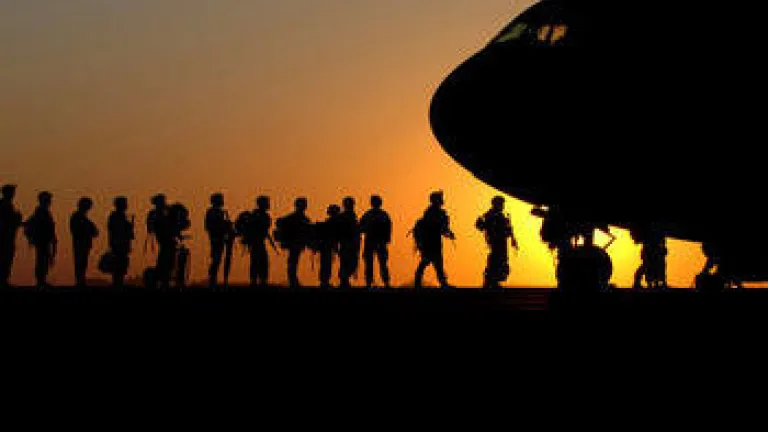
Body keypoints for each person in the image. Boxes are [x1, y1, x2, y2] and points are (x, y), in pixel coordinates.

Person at [413, 191, 455, 289]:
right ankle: (419, 283)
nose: (442, 200)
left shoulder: (431, 212)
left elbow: (442, 228)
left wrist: (448, 233)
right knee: (428, 262)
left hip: (432, 241)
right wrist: (448, 233)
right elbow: (440, 227)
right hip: (431, 241)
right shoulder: (434, 213)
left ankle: (441, 282)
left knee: (436, 263)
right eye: (440, 198)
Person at [476, 196, 519, 290]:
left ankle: (493, 282)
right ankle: (489, 282)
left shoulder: (499, 215)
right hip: (496, 241)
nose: (503, 205)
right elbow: (482, 226)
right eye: (501, 203)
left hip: (501, 241)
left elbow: (507, 229)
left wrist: (512, 238)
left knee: (500, 262)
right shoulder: (491, 215)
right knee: (495, 261)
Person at [236, 195, 277, 288]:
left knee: (260, 262)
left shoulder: (261, 215)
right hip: (256, 242)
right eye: (266, 202)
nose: (268, 204)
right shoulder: (257, 216)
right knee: (258, 262)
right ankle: (256, 281)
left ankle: (259, 281)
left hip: (258, 242)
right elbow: (262, 229)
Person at [275, 197, 311, 288]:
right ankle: (292, 280)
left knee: (293, 261)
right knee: (293, 262)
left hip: (296, 244)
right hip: (294, 244)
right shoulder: (296, 218)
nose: (305, 206)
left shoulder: (301, 218)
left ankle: (293, 280)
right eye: (303, 204)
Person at [24, 191, 57, 288]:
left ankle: (41, 280)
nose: (50, 202)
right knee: (42, 260)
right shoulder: (41, 212)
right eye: (48, 200)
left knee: (44, 260)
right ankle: (40, 281)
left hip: (44, 240)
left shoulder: (43, 212)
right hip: (42, 240)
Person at [359, 195, 392, 289]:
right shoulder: (383, 215)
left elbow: (361, 228)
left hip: (374, 242)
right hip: (375, 242)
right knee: (377, 263)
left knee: (377, 263)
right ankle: (383, 282)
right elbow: (361, 228)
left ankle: (376, 282)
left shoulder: (368, 214)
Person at [205, 193, 233, 288]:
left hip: (222, 238)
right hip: (216, 239)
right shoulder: (212, 212)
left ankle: (216, 279)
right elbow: (209, 226)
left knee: (219, 259)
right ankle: (212, 279)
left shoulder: (222, 212)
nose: (222, 201)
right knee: (216, 259)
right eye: (221, 200)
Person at [70, 197, 99, 287]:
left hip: (84, 244)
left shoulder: (83, 218)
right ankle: (80, 281)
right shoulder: (77, 217)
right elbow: (76, 231)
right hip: (80, 244)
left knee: (82, 263)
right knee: (80, 263)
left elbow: (95, 232)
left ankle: (81, 281)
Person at [146, 194, 174, 289]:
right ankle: (161, 279)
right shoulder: (156, 213)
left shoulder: (164, 212)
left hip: (167, 238)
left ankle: (163, 279)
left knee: (167, 258)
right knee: (165, 258)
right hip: (164, 238)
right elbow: (151, 227)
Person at [107, 196, 134, 288]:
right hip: (118, 245)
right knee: (119, 265)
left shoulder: (117, 216)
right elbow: (115, 230)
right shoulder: (115, 216)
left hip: (121, 245)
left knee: (121, 265)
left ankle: (118, 282)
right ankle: (117, 283)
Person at [0, 184, 22, 287]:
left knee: (7, 259)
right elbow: (7, 222)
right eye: (12, 192)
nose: (14, 194)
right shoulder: (5, 205)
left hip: (8, 237)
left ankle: (4, 280)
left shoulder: (7, 205)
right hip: (5, 238)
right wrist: (17, 218)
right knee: (5, 258)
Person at [316, 205, 342, 289]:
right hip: (327, 246)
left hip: (326, 246)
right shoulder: (332, 222)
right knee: (326, 264)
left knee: (326, 264)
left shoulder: (330, 222)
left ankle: (324, 282)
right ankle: (324, 282)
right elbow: (333, 236)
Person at [337, 197, 361, 289]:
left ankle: (344, 281)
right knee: (346, 263)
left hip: (352, 243)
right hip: (346, 243)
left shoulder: (352, 216)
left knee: (351, 263)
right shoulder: (343, 216)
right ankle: (344, 281)